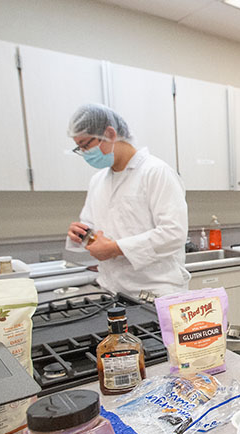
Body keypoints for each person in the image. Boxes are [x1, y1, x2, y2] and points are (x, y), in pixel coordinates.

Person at [65, 103, 190, 298]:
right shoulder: (98, 181)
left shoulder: (156, 172)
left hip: (155, 292)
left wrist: (115, 248)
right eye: (79, 148)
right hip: (112, 289)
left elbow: (173, 233)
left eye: (86, 145)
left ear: (110, 133)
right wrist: (81, 234)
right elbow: (92, 228)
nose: (85, 153)